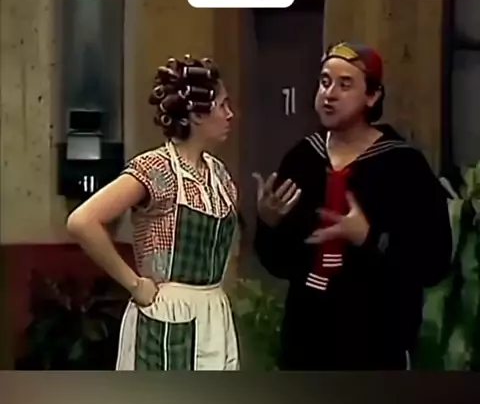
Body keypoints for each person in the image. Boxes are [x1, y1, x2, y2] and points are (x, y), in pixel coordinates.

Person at [253, 42, 452, 371]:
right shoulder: (303, 159)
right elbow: (279, 263)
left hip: (376, 343)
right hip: (305, 339)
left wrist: (369, 237)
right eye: (324, 82)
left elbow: (433, 262)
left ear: (372, 96)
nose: (329, 94)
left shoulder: (404, 166)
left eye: (345, 85)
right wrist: (269, 223)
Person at [67, 55, 240, 371]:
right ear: (196, 115)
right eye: (222, 105)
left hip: (212, 313)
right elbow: (82, 221)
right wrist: (134, 284)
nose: (230, 114)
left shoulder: (218, 174)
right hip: (167, 313)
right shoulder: (156, 169)